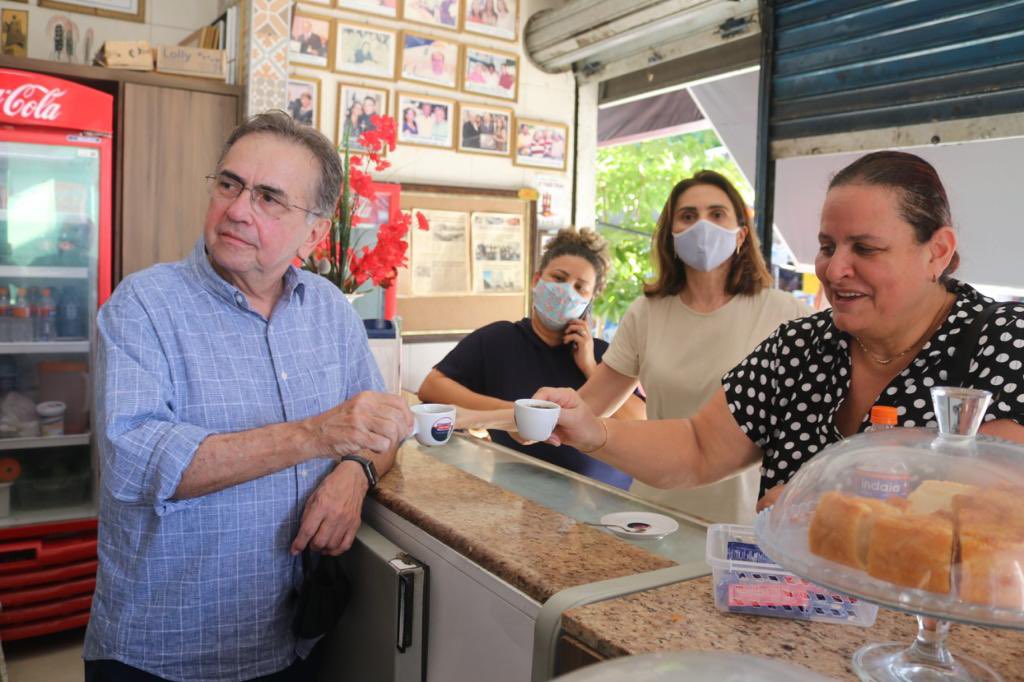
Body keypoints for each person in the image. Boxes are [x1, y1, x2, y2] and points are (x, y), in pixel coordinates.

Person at [84, 111, 413, 681]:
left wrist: (354, 473)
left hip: (293, 641)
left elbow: (379, 427)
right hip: (165, 650)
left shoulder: (331, 310)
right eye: (230, 185)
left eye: (269, 198)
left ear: (314, 231)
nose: (237, 209)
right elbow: (131, 461)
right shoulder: (143, 306)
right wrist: (317, 434)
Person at [528, 151, 1024, 515]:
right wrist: (596, 432)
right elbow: (700, 446)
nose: (835, 269)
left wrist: (827, 496)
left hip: (941, 646)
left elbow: (996, 502)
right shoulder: (802, 347)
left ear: (937, 251)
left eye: (866, 249)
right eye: (827, 246)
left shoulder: (1002, 342)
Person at [577, 171, 810, 524]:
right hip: (652, 514)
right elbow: (589, 406)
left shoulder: (786, 313)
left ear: (741, 234)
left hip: (744, 523)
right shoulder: (647, 312)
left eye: (717, 215)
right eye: (688, 216)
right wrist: (516, 415)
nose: (702, 226)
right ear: (672, 234)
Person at [419, 228, 645, 489]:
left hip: (605, 499)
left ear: (590, 300)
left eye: (580, 287)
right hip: (520, 497)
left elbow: (641, 422)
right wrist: (512, 414)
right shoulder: (499, 340)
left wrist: (590, 367)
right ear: (537, 280)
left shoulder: (602, 353)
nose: (566, 291)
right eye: (558, 278)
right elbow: (432, 387)